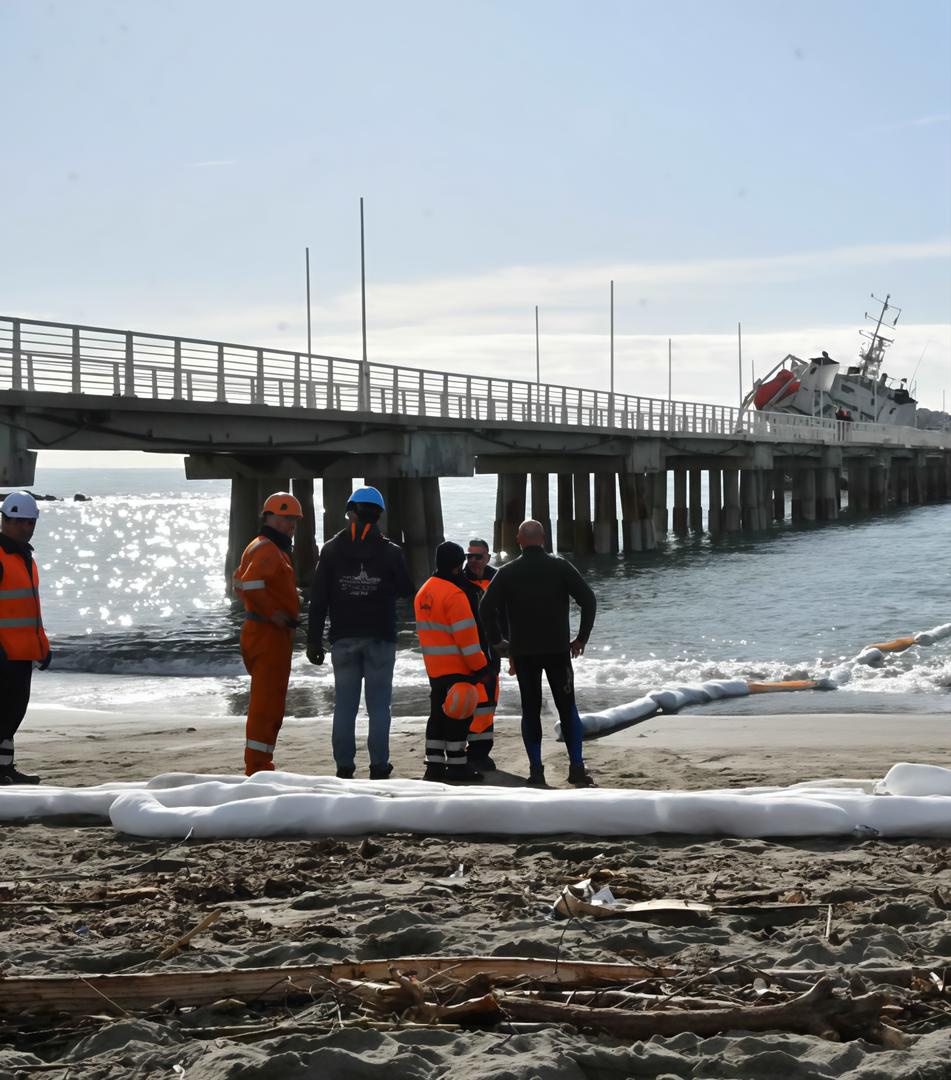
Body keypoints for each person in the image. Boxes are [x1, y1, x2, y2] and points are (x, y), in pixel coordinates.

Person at [479, 519, 597, 788]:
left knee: (530, 710)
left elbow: (486, 608)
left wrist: (499, 643)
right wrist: (581, 638)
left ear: (519, 541)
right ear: (543, 539)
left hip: (524, 653)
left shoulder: (508, 572)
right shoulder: (560, 566)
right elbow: (588, 600)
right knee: (567, 708)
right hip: (557, 650)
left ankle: (536, 771)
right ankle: (577, 768)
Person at [307, 486, 414, 780]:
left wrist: (313, 641)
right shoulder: (391, 552)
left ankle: (344, 767)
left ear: (350, 511)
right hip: (380, 638)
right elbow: (408, 591)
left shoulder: (331, 549)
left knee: (345, 707)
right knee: (379, 707)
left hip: (344, 639)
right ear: (379, 515)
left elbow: (318, 600)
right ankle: (379, 766)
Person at [233, 492, 303, 775]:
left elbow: (239, 582)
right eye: (286, 519)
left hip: (264, 631)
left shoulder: (261, 547)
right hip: (268, 634)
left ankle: (261, 763)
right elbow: (249, 584)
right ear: (270, 517)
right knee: (267, 705)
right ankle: (258, 767)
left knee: (269, 701)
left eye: (294, 520)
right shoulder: (268, 550)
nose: (291, 525)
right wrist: (273, 614)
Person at [415, 541, 490, 783]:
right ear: (459, 566)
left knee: (437, 715)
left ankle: (434, 765)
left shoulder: (424, 591)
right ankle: (457, 766)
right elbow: (467, 640)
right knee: (459, 714)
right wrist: (482, 667)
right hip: (458, 668)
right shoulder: (455, 595)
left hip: (434, 669)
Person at [0, 492, 52, 785]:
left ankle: (5, 769)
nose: (24, 527)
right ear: (4, 520)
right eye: (18, 521)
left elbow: (30, 610)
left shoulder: (25, 559)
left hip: (21, 654)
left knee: (12, 715)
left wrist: (43, 648)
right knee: (2, 714)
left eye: (29, 522)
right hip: (3, 654)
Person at [463, 537, 501, 771]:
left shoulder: (498, 577)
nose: (473, 561)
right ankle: (466, 750)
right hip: (466, 651)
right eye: (469, 556)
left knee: (488, 704)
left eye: (478, 556)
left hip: (491, 651)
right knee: (468, 702)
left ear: (487, 557)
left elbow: (507, 613)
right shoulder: (459, 581)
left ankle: (481, 752)